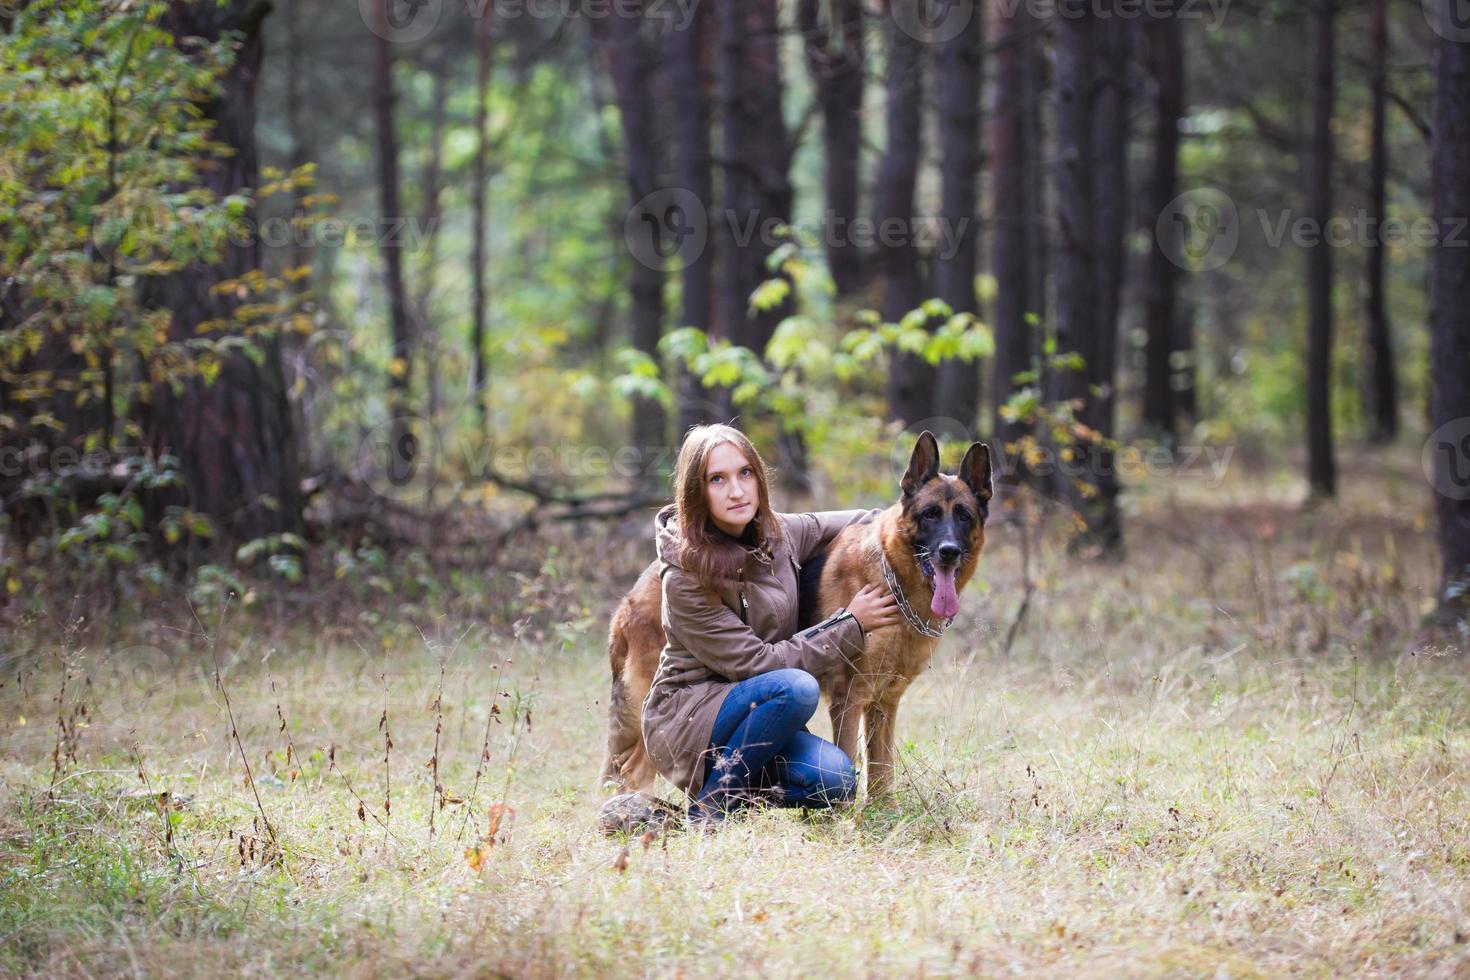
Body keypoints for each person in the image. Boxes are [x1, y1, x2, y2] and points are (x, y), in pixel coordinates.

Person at [640, 424, 900, 826]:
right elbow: (760, 666)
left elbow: (866, 520)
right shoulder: (684, 577)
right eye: (717, 479)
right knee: (796, 687)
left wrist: (909, 524)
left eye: (745, 473)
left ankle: (725, 801)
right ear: (697, 491)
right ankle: (709, 811)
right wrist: (850, 623)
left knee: (836, 780)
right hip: (689, 724)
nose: (737, 491)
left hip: (760, 721)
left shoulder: (778, 534)